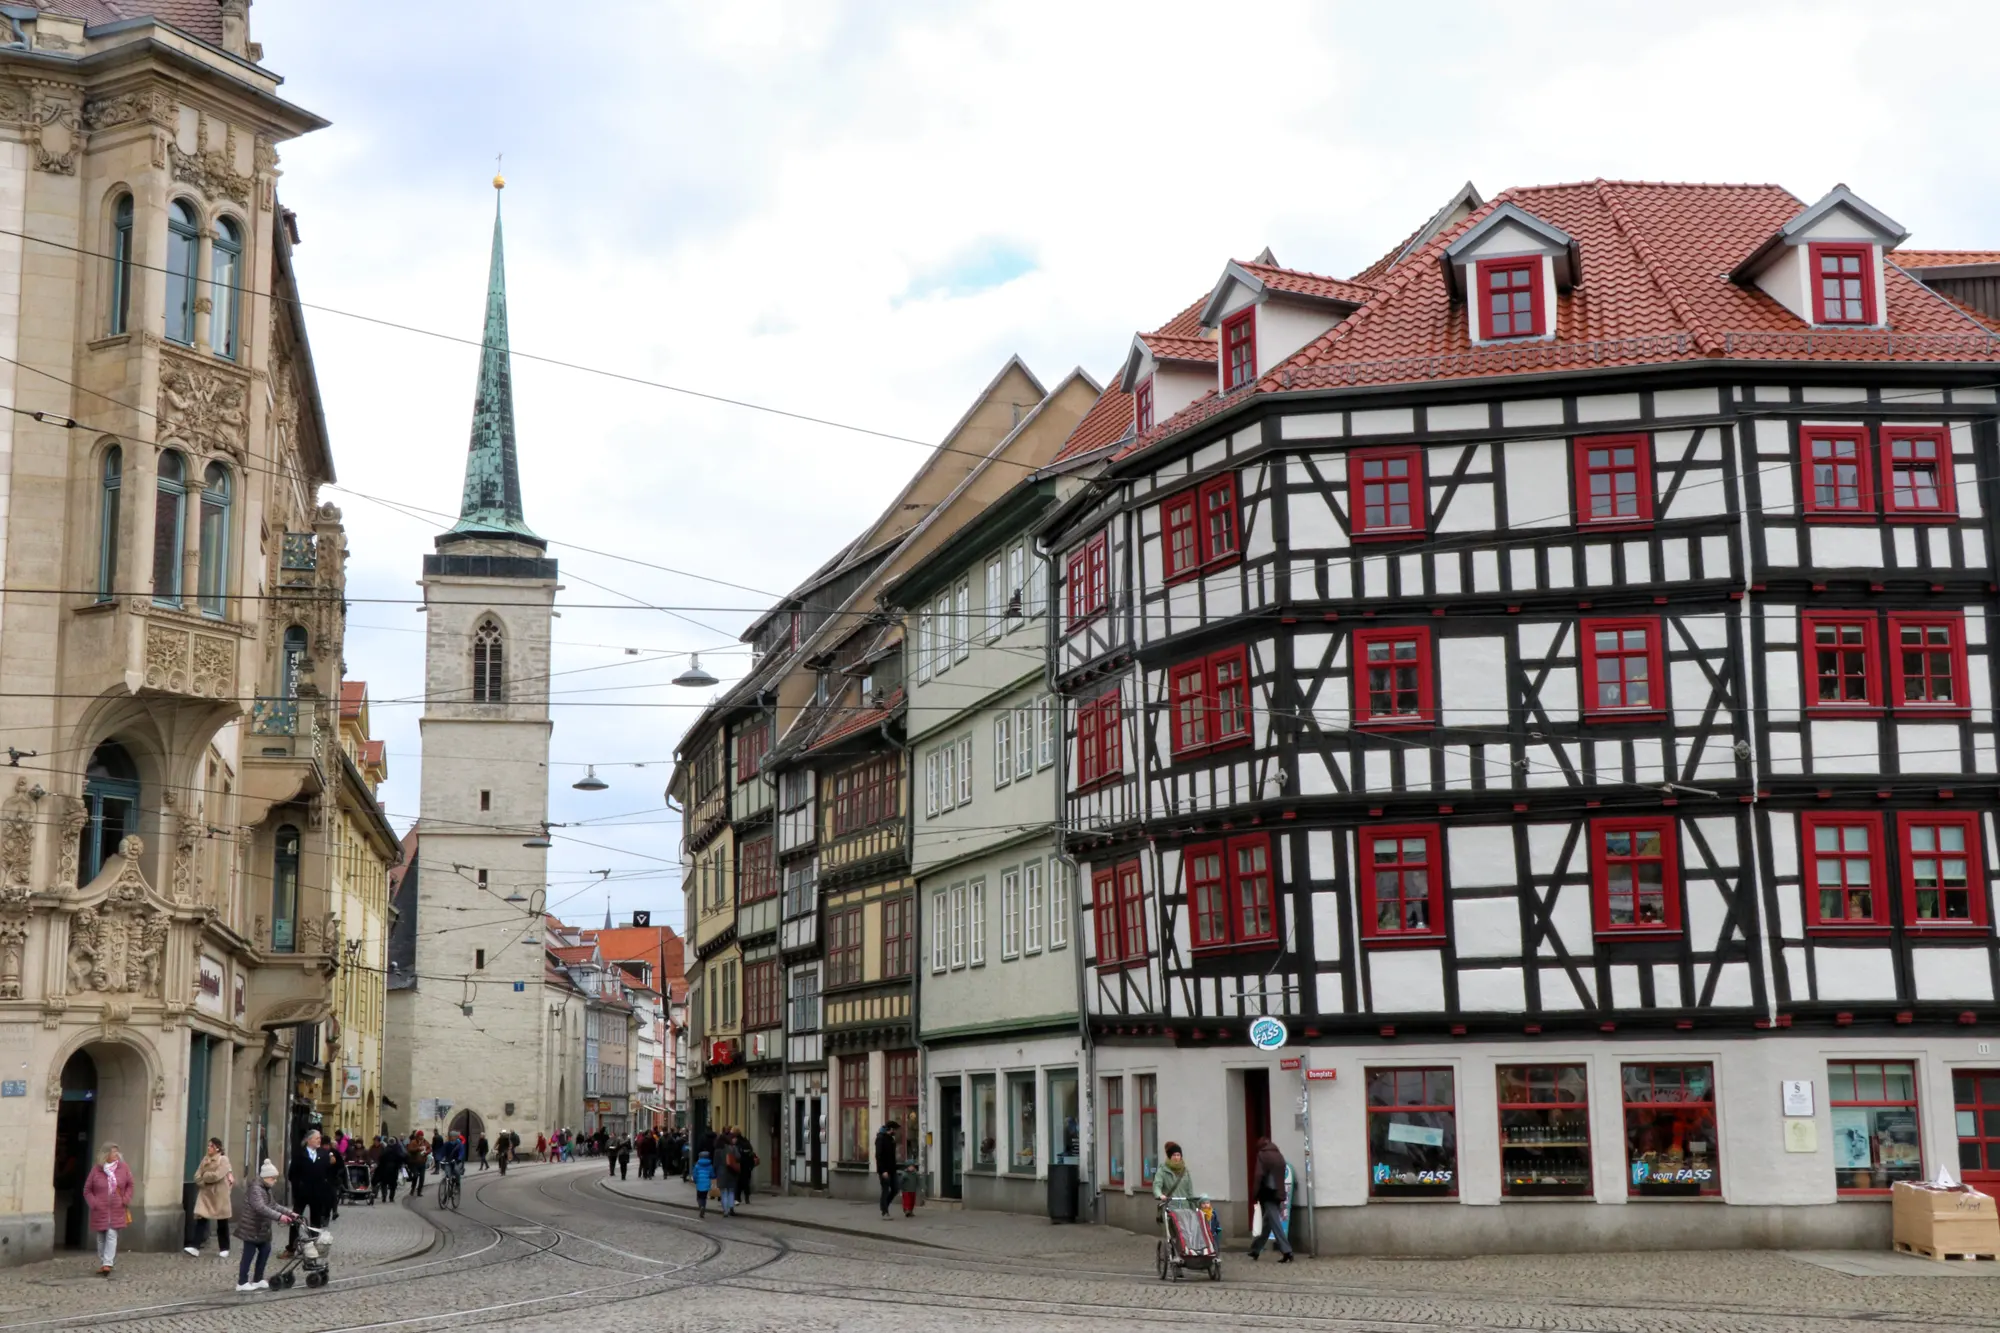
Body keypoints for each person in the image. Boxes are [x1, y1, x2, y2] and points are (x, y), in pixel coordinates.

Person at [235, 1159, 294, 1292]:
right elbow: (260, 1207)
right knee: (248, 1255)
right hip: (252, 1228)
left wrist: (290, 1213)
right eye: (273, 1178)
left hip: (262, 1229)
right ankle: (242, 1282)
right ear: (266, 1177)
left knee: (265, 1251)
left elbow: (273, 1205)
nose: (275, 1181)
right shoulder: (256, 1189)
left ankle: (258, 1279)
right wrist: (280, 1217)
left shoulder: (266, 1189)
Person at [83, 1143, 133, 1276]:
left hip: (117, 1207)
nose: (116, 1155)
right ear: (106, 1155)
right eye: (113, 1153)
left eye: (117, 1152)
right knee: (101, 1236)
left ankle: (107, 1263)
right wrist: (94, 1203)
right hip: (100, 1209)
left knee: (111, 1234)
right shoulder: (96, 1170)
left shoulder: (123, 1168)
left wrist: (125, 1199)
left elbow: (130, 1185)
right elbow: (87, 1190)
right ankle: (104, 1260)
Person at [285, 1129, 336, 1256]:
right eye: (317, 1138)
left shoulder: (324, 1154)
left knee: (316, 1221)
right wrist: (299, 1187)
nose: (319, 1140)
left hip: (318, 1193)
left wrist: (325, 1186)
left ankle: (314, 1246)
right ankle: (291, 1247)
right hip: (302, 1193)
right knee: (295, 1219)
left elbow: (330, 1172)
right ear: (309, 1140)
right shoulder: (299, 1154)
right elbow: (292, 1174)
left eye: (320, 1138)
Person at [1247, 1137, 1294, 1262]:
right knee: (1268, 1223)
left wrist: (1255, 1193)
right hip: (1278, 1192)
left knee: (1275, 1223)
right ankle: (1255, 1249)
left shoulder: (1262, 1155)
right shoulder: (1279, 1155)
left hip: (1267, 1193)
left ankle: (1287, 1250)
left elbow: (1259, 1175)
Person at [186, 1137, 234, 1258]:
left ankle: (224, 1247)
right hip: (206, 1194)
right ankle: (195, 1246)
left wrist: (205, 1176)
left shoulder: (223, 1160)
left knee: (222, 1221)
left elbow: (218, 1175)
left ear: (217, 1147)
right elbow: (197, 1175)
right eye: (208, 1146)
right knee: (201, 1218)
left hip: (219, 1194)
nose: (208, 1148)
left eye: (211, 1146)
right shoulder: (205, 1159)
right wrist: (203, 1182)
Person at [874, 1123, 899, 1219]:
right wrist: (883, 1170)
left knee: (895, 1189)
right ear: (891, 1129)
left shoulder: (891, 1140)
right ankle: (884, 1211)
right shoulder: (880, 1138)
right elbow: (878, 1156)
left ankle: (884, 1206)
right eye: (895, 1130)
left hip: (892, 1169)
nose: (896, 1132)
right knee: (885, 1190)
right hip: (884, 1170)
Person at [691, 1147, 713, 1219]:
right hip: (706, 1184)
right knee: (704, 1197)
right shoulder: (710, 1166)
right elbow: (712, 1175)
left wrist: (695, 1180)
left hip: (699, 1183)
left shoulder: (697, 1165)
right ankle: (703, 1206)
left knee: (699, 1197)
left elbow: (694, 1174)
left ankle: (701, 1207)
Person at [405, 1132, 429, 1198]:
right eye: (420, 1135)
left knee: (422, 1178)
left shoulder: (425, 1142)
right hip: (414, 1163)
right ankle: (413, 1189)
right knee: (415, 1176)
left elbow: (429, 1148)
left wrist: (427, 1152)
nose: (421, 1137)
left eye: (422, 1135)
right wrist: (417, 1149)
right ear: (417, 1136)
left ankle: (419, 1191)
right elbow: (409, 1149)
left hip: (422, 1163)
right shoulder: (413, 1142)